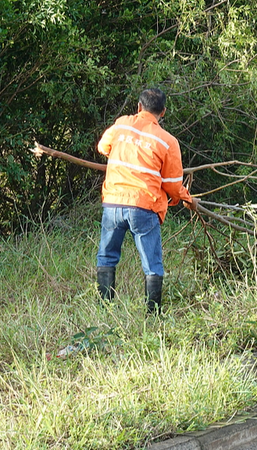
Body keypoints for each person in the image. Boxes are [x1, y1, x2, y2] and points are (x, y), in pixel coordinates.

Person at [95, 88, 198, 313]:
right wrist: (186, 198)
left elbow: (103, 147)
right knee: (152, 263)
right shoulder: (168, 141)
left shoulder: (121, 124)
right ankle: (152, 315)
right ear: (163, 112)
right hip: (144, 206)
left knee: (106, 256)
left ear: (139, 107)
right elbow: (172, 184)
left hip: (113, 203)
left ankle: (104, 310)